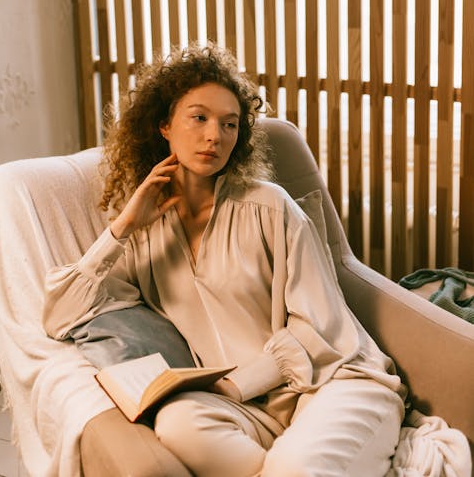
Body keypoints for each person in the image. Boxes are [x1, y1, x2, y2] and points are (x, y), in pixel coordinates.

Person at [43, 43, 406, 477]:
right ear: (164, 125)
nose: (215, 135)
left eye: (229, 124)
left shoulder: (270, 208)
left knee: (292, 468)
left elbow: (319, 326)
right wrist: (121, 228)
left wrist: (238, 384)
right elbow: (61, 316)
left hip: (333, 383)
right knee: (177, 422)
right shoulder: (142, 231)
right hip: (250, 413)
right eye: (199, 118)